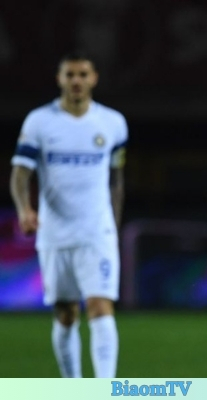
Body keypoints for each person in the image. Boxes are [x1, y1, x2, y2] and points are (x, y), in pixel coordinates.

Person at [9, 52, 127, 378]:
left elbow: (116, 179)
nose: (76, 80)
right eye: (70, 74)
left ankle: (104, 391)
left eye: (83, 74)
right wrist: (24, 209)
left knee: (101, 306)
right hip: (55, 232)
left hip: (97, 232)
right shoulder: (39, 122)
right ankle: (72, 387)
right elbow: (20, 173)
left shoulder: (113, 124)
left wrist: (113, 226)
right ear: (59, 79)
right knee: (66, 313)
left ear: (94, 79)